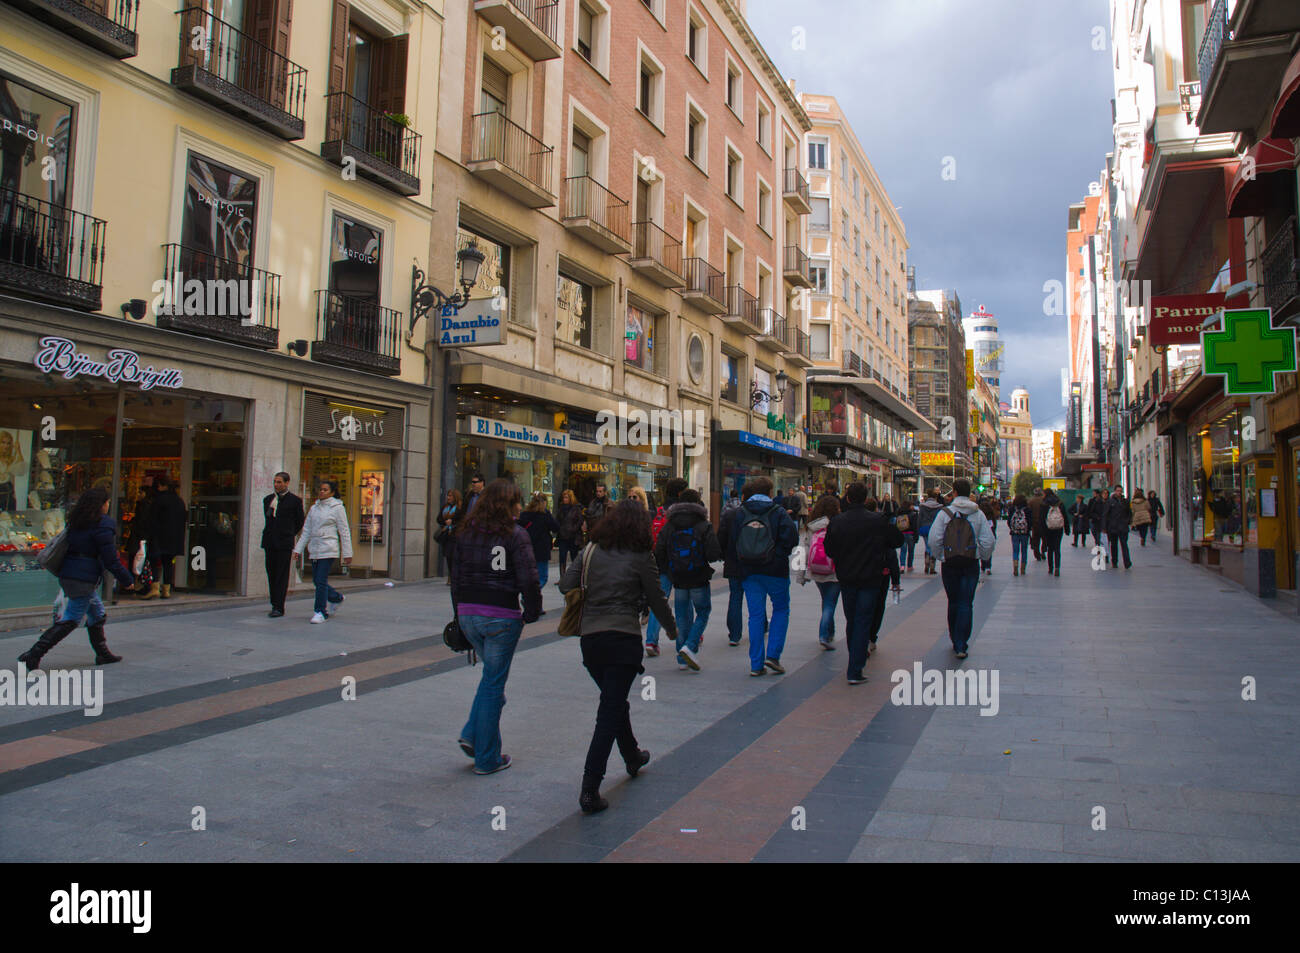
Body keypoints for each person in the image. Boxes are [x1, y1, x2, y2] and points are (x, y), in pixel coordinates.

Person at [561, 500, 676, 813]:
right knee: (609, 710)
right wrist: (672, 630)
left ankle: (632, 756)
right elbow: (657, 598)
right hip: (623, 640)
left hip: (591, 641)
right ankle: (589, 788)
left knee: (614, 702)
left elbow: (565, 584)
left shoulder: (590, 550)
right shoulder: (641, 557)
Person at [450, 479, 541, 776]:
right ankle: (487, 757)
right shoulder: (515, 535)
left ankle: (473, 734)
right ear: (507, 505)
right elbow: (528, 578)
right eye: (517, 501)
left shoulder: (465, 533)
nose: (519, 506)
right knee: (494, 684)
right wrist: (532, 610)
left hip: (469, 612)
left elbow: (456, 577)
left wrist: (458, 616)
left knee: (491, 680)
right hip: (501, 614)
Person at [18, 487, 135, 670]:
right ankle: (34, 653)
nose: (108, 505)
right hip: (83, 579)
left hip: (70, 574)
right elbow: (110, 559)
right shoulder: (104, 525)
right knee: (71, 619)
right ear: (102, 504)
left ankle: (103, 654)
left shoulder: (77, 521)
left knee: (97, 614)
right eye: (107, 502)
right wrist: (127, 580)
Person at [717, 475, 798, 676]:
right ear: (770, 493)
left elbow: (733, 541)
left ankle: (756, 664)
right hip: (776, 571)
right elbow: (792, 538)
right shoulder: (778, 512)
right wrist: (777, 554)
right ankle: (773, 655)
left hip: (749, 570)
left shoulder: (739, 513)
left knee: (755, 615)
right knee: (780, 609)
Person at [824, 487, 903, 684]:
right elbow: (896, 540)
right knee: (863, 620)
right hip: (871, 577)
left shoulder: (837, 521)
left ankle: (855, 660)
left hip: (847, 577)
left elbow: (829, 549)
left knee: (852, 619)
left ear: (848, 499)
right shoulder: (877, 520)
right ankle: (855, 668)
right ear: (866, 498)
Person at [926, 479, 995, 659]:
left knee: (953, 601)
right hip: (970, 563)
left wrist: (941, 555)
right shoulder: (978, 513)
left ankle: (953, 637)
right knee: (966, 602)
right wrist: (982, 556)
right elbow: (988, 540)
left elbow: (934, 539)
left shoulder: (945, 513)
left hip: (950, 563)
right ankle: (961, 643)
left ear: (954, 492)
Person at [654, 488, 721, 672]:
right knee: (703, 611)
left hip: (678, 577)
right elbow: (714, 553)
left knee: (682, 615)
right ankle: (690, 646)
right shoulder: (703, 524)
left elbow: (659, 550)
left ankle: (682, 659)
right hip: (699, 576)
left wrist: (669, 568)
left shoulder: (670, 524)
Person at [293, 479, 353, 623]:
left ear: (332, 492)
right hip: (314, 548)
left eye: (325, 490)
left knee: (320, 580)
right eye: (320, 489)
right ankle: (336, 597)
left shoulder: (337, 507)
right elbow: (306, 530)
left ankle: (320, 611)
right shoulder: (314, 508)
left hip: (329, 548)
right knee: (316, 580)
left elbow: (344, 531)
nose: (322, 492)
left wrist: (347, 553)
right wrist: (298, 549)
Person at [643, 477, 686, 656]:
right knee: (684, 602)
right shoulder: (683, 512)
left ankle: (651, 641)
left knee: (659, 602)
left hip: (661, 562)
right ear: (679, 493)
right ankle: (687, 639)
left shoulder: (659, 511)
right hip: (681, 563)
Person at [794, 494, 842, 650]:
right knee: (830, 603)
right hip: (834, 570)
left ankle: (829, 632)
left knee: (826, 601)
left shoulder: (812, 526)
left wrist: (801, 575)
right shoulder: (838, 524)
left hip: (816, 570)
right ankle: (824, 635)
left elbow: (804, 550)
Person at [262, 471, 306, 618]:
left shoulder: (294, 501)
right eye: (275, 482)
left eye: (279, 482)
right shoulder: (268, 499)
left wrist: (289, 533)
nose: (276, 484)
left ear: (287, 483)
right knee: (271, 572)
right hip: (270, 542)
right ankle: (274, 601)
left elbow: (300, 521)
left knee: (281, 574)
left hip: (284, 542)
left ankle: (279, 606)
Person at [142, 475, 187, 600]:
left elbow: (152, 519)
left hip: (159, 536)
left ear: (162, 486)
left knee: (154, 560)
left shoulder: (159, 500)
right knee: (168, 563)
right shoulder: (179, 501)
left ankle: (155, 588)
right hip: (174, 538)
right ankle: (166, 590)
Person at [518, 492, 560, 589]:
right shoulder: (545, 515)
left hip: (527, 548)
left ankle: (529, 593)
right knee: (542, 577)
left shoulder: (525, 514)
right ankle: (533, 593)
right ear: (544, 502)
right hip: (542, 549)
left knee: (528, 575)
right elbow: (555, 528)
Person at [1040, 488, 1069, 577]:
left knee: (1050, 548)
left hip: (1048, 528)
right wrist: (1067, 528)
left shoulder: (1044, 504)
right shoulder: (1060, 503)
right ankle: (1057, 567)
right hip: (1058, 528)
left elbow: (1042, 518)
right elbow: (1064, 516)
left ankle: (1050, 568)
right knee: (1057, 548)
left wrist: (1042, 531)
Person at [555, 489, 584, 576]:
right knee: (562, 557)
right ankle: (562, 577)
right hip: (563, 536)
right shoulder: (561, 509)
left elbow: (579, 521)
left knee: (574, 557)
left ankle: (574, 576)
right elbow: (558, 521)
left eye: (566, 497)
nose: (565, 499)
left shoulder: (576, 509)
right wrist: (560, 529)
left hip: (573, 537)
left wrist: (573, 529)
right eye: (564, 497)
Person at [1104, 484, 1133, 569]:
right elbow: (1105, 514)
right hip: (1113, 527)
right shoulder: (1110, 501)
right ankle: (1114, 561)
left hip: (1123, 527)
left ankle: (1127, 562)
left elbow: (1129, 513)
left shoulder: (1125, 501)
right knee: (1114, 545)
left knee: (1124, 544)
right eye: (1117, 491)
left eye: (1120, 491)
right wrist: (1105, 527)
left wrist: (1128, 521)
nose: (1119, 493)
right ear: (1115, 491)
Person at [916, 489, 944, 574]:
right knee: (933, 546)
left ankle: (926, 564)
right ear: (935, 497)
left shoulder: (922, 506)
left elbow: (920, 518)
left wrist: (918, 528)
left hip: (924, 528)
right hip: (934, 528)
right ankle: (932, 567)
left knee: (927, 546)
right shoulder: (939, 507)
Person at [435, 489, 462, 578]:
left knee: (455, 556)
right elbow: (439, 519)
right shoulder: (445, 507)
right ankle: (451, 575)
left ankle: (454, 576)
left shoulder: (459, 508)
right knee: (448, 556)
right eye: (448, 495)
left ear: (455, 497)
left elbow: (462, 520)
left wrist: (453, 522)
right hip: (446, 535)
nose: (448, 497)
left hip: (456, 534)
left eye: (450, 496)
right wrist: (445, 522)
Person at [1007, 493, 1031, 576]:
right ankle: (1023, 569)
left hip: (1014, 533)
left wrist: (1012, 528)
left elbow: (1009, 520)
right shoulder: (1027, 509)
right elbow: (1030, 522)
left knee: (1015, 551)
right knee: (1024, 551)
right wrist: (1028, 530)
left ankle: (1015, 567)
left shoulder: (1012, 509)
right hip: (1025, 533)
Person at [977, 495, 999, 574]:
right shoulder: (991, 512)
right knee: (989, 549)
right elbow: (994, 523)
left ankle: (983, 565)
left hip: (981, 534)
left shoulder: (979, 513)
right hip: (990, 532)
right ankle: (988, 566)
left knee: (982, 548)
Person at [896, 500, 918, 573]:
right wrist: (916, 536)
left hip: (902, 534)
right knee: (911, 551)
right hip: (910, 533)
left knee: (903, 551)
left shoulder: (899, 514)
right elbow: (915, 526)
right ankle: (909, 566)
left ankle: (902, 566)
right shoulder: (913, 514)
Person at [1026, 488, 1045, 562]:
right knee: (1044, 538)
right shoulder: (1044, 500)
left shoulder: (1031, 501)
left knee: (1036, 539)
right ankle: (1043, 551)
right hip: (1043, 522)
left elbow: (1028, 512)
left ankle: (1037, 554)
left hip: (1035, 523)